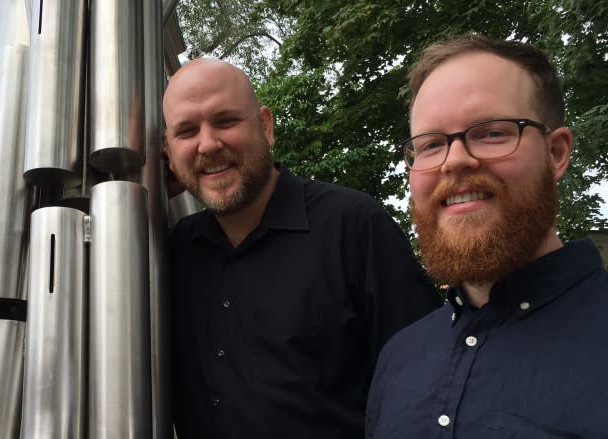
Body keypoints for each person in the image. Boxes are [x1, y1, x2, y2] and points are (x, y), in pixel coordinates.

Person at [162, 57, 441, 439]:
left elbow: (428, 390)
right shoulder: (171, 250)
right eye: (187, 132)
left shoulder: (355, 226)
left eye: (226, 121)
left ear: (266, 126)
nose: (208, 144)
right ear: (167, 150)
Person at [366, 34, 608, 438]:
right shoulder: (398, 358)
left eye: (493, 132)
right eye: (430, 144)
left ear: (556, 154)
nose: (455, 160)